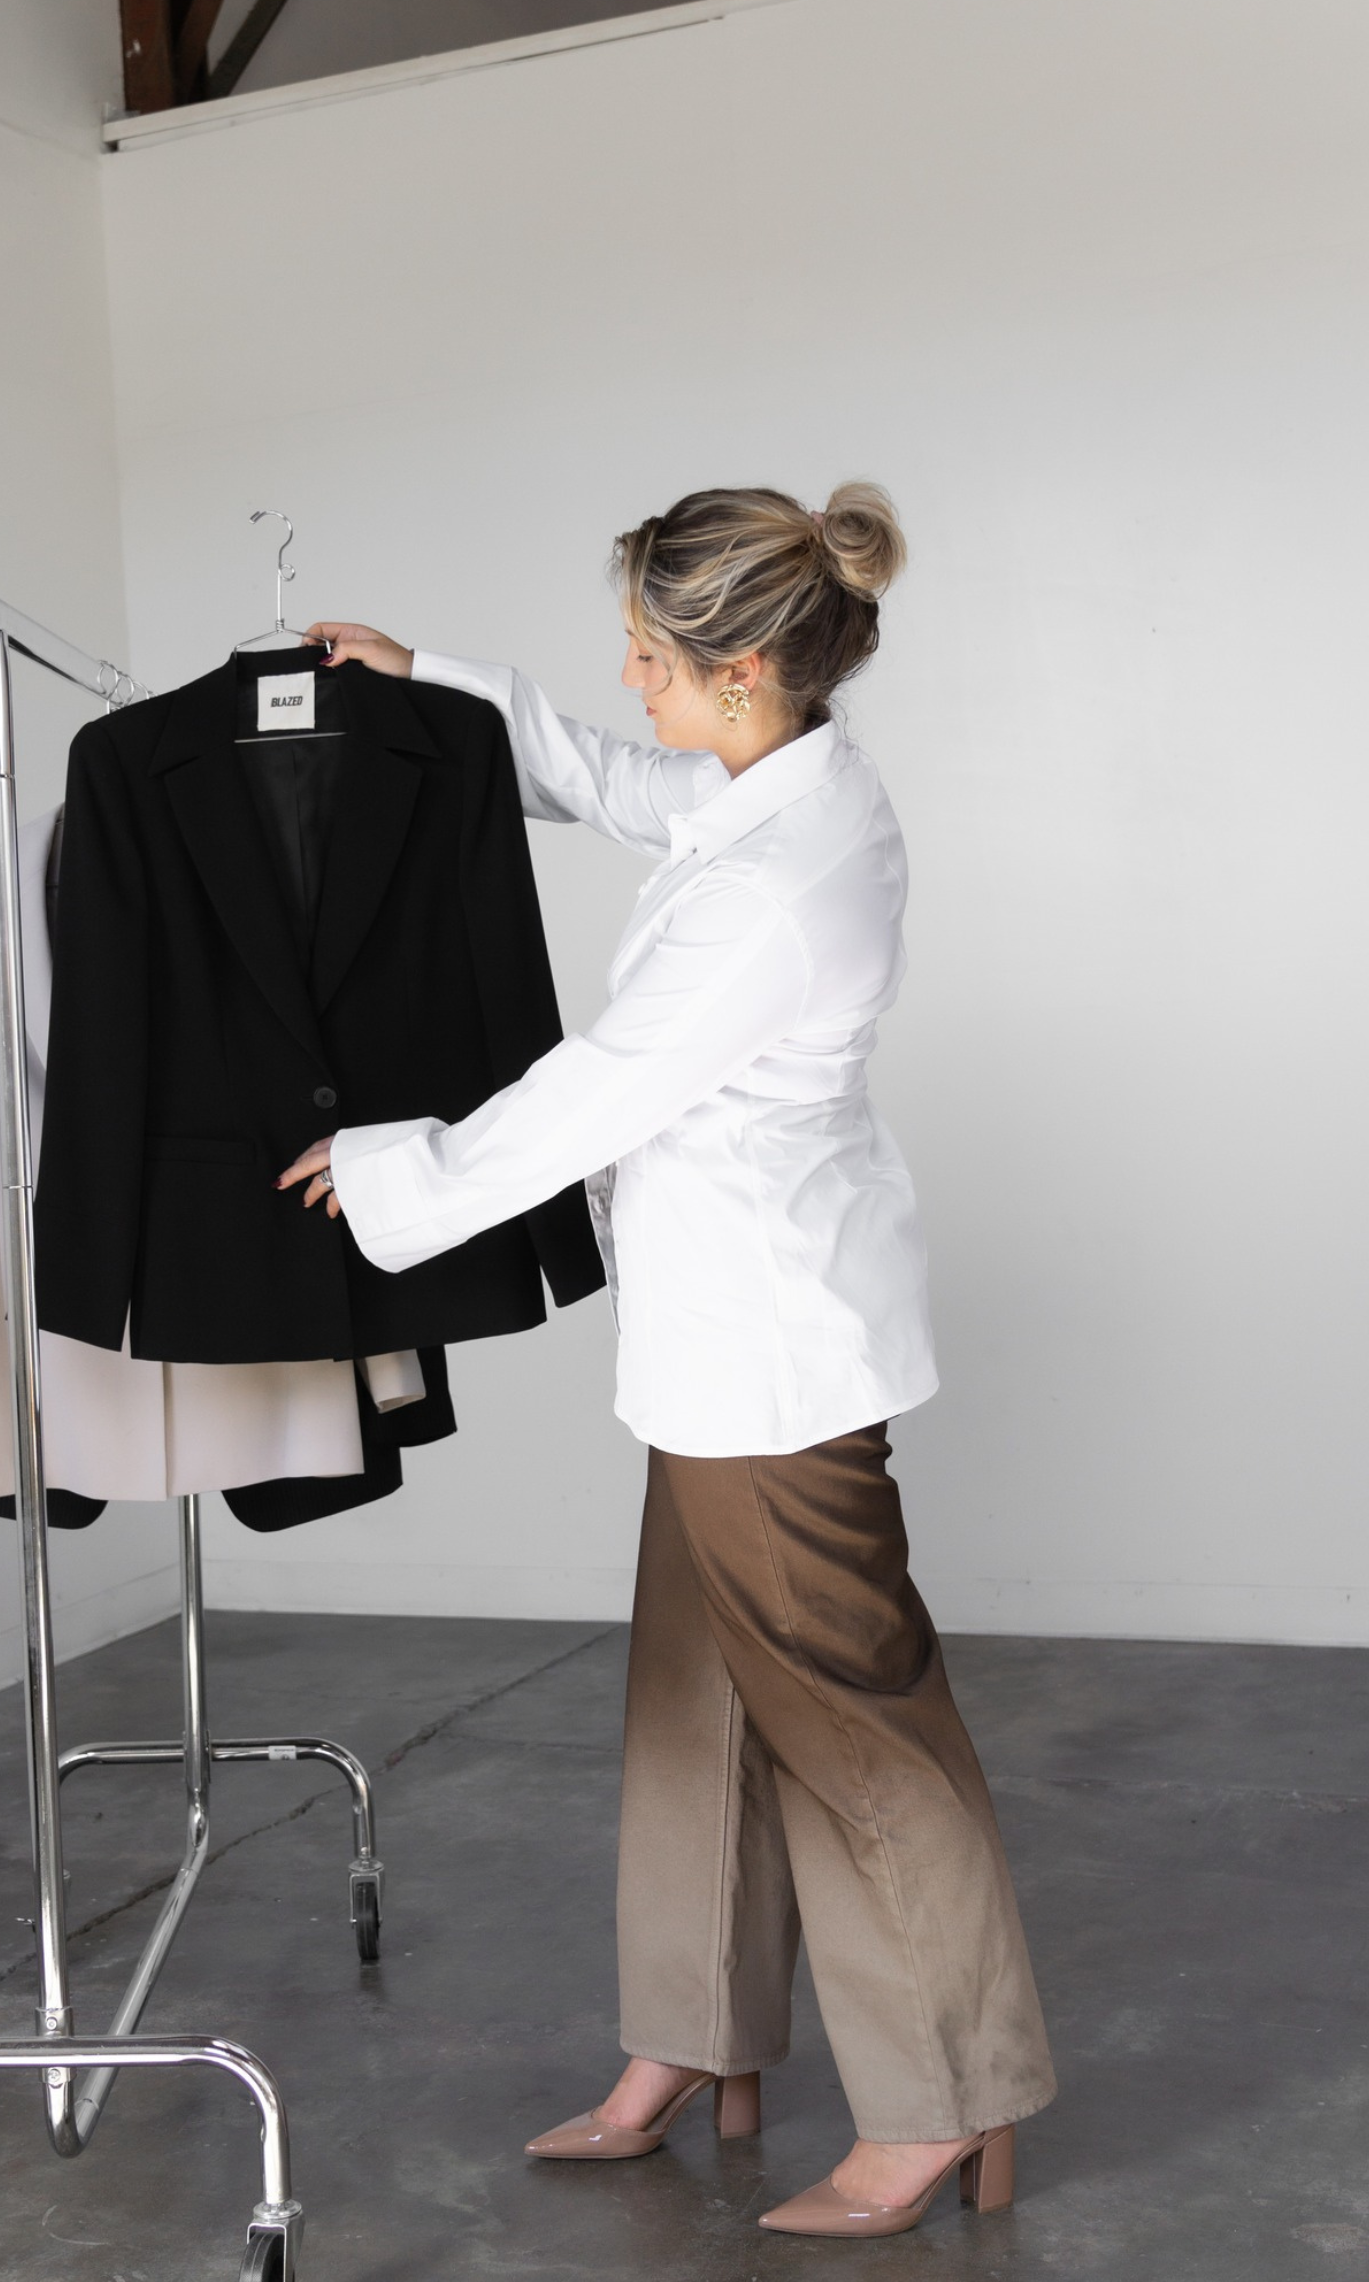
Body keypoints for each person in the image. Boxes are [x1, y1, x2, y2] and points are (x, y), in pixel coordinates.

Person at [278, 484, 1055, 2240]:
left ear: (750, 666)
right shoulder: (779, 786)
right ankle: (697, 2040)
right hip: (722, 1347)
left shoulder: (775, 887)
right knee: (693, 1703)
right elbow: (633, 785)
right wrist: (437, 683)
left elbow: (601, 1084)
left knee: (855, 1734)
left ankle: (945, 2095)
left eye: (653, 654)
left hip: (769, 1361)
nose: (629, 679)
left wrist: (400, 1167)